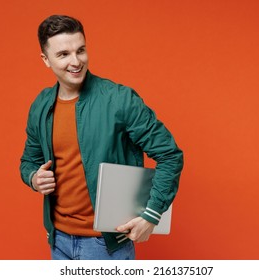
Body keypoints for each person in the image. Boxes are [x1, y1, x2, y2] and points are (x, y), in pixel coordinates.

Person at [20, 14, 184, 260]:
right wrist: (34, 177)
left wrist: (152, 215)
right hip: (58, 241)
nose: (76, 61)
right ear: (46, 60)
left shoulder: (119, 99)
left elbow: (170, 155)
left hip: (106, 245)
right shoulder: (41, 105)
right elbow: (28, 161)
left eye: (81, 50)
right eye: (63, 54)